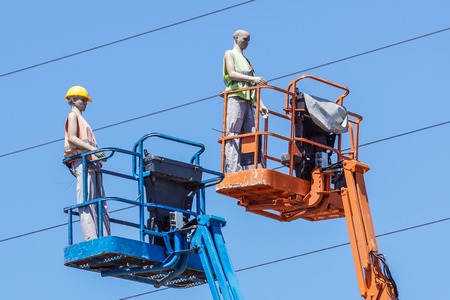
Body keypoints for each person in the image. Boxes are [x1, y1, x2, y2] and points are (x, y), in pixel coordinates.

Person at [63, 86, 111, 241]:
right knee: (87, 200)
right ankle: (91, 237)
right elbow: (72, 138)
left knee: (100, 202)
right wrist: (93, 150)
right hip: (82, 162)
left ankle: (103, 236)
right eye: (82, 99)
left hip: (92, 163)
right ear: (72, 100)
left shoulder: (83, 120)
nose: (85, 103)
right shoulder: (72, 116)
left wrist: (98, 155)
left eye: (85, 100)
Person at [223, 29, 268, 173]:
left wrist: (260, 104)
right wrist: (253, 78)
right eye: (244, 39)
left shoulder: (247, 61)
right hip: (236, 98)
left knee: (251, 134)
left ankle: (254, 169)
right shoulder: (229, 53)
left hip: (248, 101)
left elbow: (253, 86)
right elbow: (232, 73)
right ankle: (233, 169)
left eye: (248, 40)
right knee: (234, 132)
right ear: (235, 38)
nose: (247, 43)